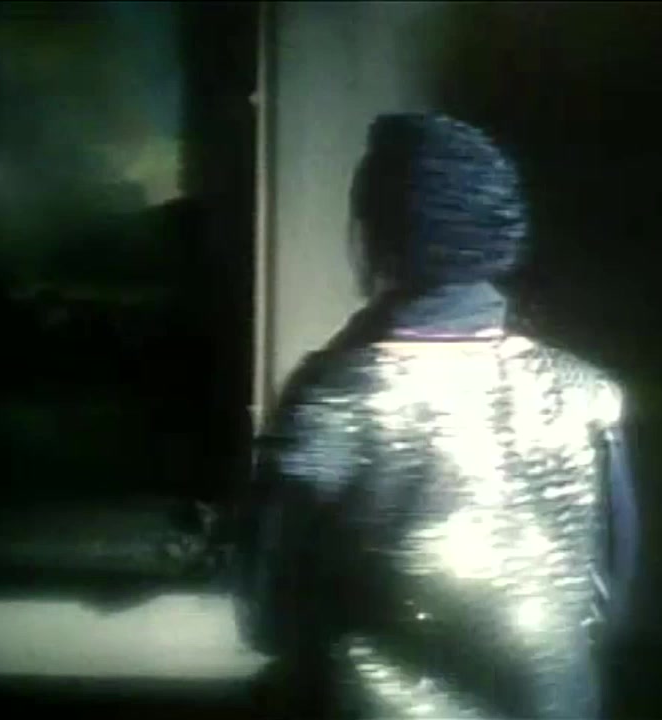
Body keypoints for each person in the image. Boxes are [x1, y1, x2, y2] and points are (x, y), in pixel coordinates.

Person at [238, 113, 638, 719]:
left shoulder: (333, 400)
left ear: (377, 238)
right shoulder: (586, 394)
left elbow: (266, 618)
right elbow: (607, 602)